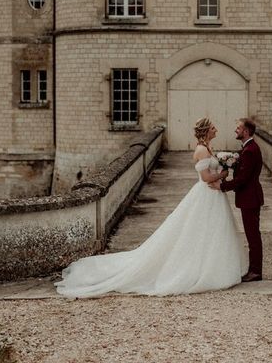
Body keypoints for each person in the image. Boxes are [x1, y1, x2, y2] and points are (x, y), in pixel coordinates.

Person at [55, 118, 245, 297]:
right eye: (213, 128)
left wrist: (222, 169)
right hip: (207, 193)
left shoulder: (208, 148)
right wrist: (223, 174)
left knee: (211, 232)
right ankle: (201, 269)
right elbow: (205, 178)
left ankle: (212, 265)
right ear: (205, 130)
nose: (216, 130)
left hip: (213, 195)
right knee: (199, 232)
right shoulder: (202, 151)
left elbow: (210, 173)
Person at [210, 118, 264, 282]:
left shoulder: (249, 150)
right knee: (252, 235)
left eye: (238, 128)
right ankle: (254, 270)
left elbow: (243, 179)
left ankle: (255, 272)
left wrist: (223, 186)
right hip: (250, 197)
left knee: (253, 236)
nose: (236, 130)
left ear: (246, 131)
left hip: (250, 198)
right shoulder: (248, 147)